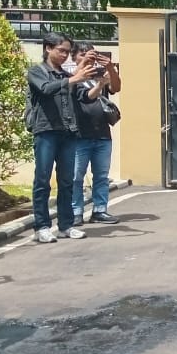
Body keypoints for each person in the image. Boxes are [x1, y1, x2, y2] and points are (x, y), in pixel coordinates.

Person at [27, 33, 96, 243]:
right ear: (48, 48)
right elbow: (46, 89)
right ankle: (41, 226)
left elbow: (83, 97)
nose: (65, 55)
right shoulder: (37, 72)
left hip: (68, 131)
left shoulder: (65, 75)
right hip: (46, 131)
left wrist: (99, 83)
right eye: (61, 50)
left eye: (67, 51)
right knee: (42, 180)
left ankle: (65, 225)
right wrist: (74, 78)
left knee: (67, 181)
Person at [70, 42, 121, 226]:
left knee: (101, 175)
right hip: (79, 135)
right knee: (76, 176)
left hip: (102, 134)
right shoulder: (71, 77)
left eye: (90, 53)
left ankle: (100, 210)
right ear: (74, 57)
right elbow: (87, 96)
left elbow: (116, 87)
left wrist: (109, 68)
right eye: (82, 54)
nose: (87, 57)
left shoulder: (100, 73)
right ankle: (75, 211)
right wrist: (99, 83)